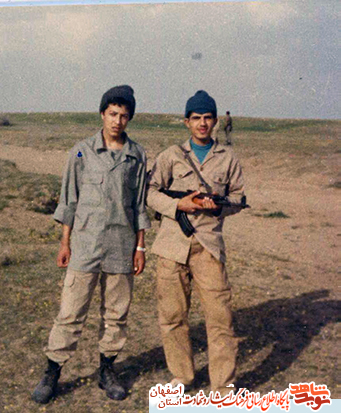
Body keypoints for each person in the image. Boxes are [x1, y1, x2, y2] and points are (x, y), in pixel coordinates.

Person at [32, 85, 151, 404]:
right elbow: (69, 200)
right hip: (85, 244)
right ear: (102, 114)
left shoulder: (137, 156)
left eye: (124, 116)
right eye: (112, 114)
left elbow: (140, 205)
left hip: (121, 246)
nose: (117, 121)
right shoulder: (81, 152)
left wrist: (140, 247)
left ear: (129, 119)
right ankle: (52, 372)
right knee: (71, 312)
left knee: (116, 314)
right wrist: (65, 242)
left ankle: (107, 371)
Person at [147, 90, 245, 396]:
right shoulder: (170, 156)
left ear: (215, 121)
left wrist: (217, 207)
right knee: (173, 317)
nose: (202, 123)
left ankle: (223, 387)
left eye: (208, 118)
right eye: (196, 118)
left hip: (209, 248)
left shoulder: (227, 158)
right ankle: (182, 376)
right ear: (187, 122)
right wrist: (178, 205)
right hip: (172, 247)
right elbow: (150, 192)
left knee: (220, 319)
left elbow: (238, 197)